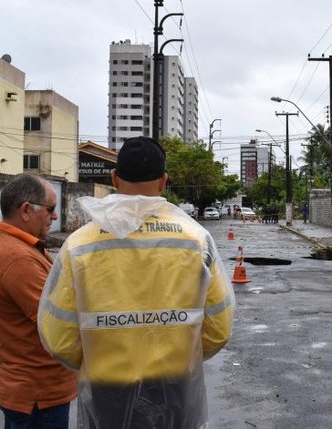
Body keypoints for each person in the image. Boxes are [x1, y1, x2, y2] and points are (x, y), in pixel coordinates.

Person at [38, 136, 235, 429]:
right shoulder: (197, 241)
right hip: (177, 387)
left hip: (106, 391)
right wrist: (182, 357)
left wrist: (98, 361)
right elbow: (219, 328)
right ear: (164, 181)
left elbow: (58, 337)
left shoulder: (78, 245)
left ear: (115, 178)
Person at [0, 174, 77, 429]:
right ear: (26, 210)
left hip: (30, 390)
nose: (55, 217)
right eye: (50, 209)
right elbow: (56, 323)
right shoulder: (18, 258)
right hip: (36, 394)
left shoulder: (19, 245)